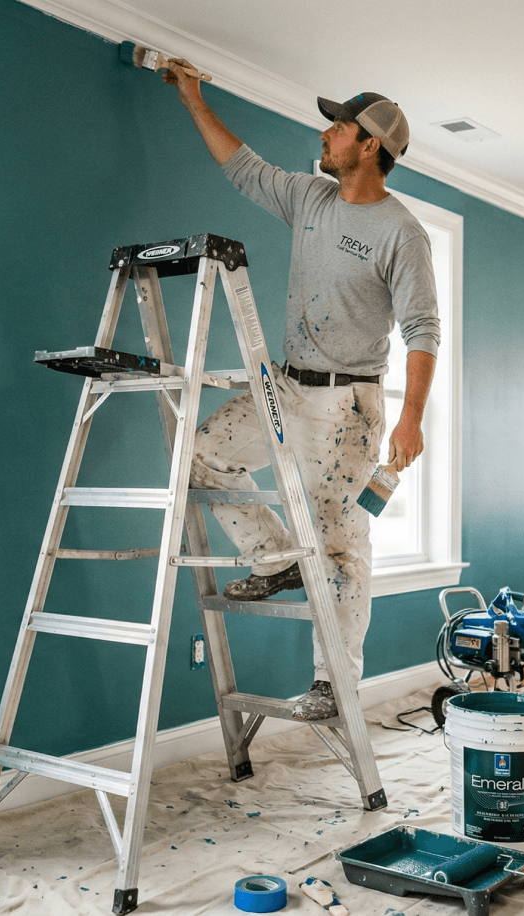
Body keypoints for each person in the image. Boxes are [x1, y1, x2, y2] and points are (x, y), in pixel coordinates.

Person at [163, 60, 440, 720]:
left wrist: (412, 419)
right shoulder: (310, 199)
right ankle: (276, 558)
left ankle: (333, 684)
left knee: (340, 541)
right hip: (287, 385)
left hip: (349, 405)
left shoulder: (401, 233)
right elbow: (244, 167)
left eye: (337, 127)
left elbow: (423, 328)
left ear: (369, 145)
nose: (325, 135)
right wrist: (194, 100)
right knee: (202, 457)